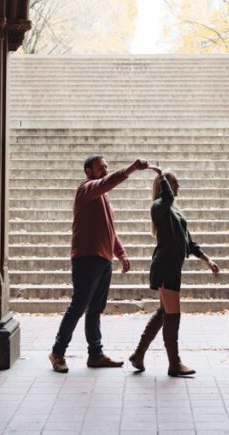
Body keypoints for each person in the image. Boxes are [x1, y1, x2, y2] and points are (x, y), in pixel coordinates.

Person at [49, 155, 150, 373]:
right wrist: (132, 168)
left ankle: (95, 355)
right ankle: (57, 352)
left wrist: (121, 254)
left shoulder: (103, 198)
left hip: (104, 259)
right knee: (78, 306)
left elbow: (109, 230)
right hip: (86, 257)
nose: (105, 170)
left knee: (95, 309)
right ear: (88, 171)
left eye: (106, 167)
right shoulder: (86, 189)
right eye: (100, 167)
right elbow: (106, 182)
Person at [128, 166, 220, 377]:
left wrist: (207, 259)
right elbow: (167, 198)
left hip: (171, 268)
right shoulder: (158, 207)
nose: (178, 186)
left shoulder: (175, 214)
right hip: (165, 267)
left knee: (163, 313)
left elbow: (189, 242)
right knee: (173, 314)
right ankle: (174, 363)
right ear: (165, 187)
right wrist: (160, 174)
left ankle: (138, 355)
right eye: (174, 182)